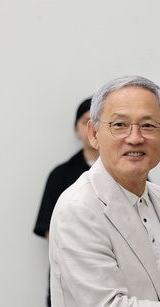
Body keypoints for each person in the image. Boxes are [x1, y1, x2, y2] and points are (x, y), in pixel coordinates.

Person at [49, 76, 160, 306]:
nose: (135, 138)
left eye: (148, 125)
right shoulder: (78, 208)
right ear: (94, 133)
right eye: (119, 125)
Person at [33, 97, 98, 307]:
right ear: (77, 129)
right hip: (68, 275)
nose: (92, 128)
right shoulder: (60, 175)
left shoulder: (127, 172)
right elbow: (50, 231)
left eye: (98, 122)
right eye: (85, 121)